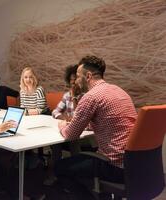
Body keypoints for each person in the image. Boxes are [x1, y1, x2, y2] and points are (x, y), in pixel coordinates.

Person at [54, 55, 137, 199]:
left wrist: (62, 125)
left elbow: (70, 135)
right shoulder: (119, 91)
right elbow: (109, 121)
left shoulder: (90, 97)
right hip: (135, 163)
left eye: (78, 76)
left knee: (59, 167)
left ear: (88, 76)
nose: (77, 81)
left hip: (113, 166)